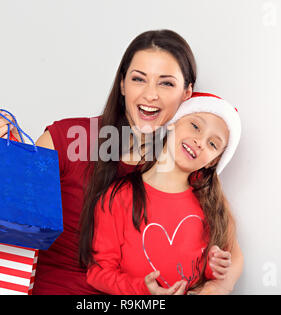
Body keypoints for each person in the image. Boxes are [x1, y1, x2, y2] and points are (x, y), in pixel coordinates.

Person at [0, 30, 243, 294]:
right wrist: (10, 160)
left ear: (187, 93)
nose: (150, 95)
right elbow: (8, 217)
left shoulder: (184, 162)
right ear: (122, 84)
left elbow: (231, 251)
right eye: (138, 79)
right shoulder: (67, 140)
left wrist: (214, 288)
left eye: (166, 83)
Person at [84, 93, 241, 295]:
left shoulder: (208, 207)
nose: (200, 141)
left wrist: (214, 265)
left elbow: (197, 268)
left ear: (212, 162)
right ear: (172, 124)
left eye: (212, 144)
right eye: (195, 126)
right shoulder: (119, 196)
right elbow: (97, 273)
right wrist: (144, 290)